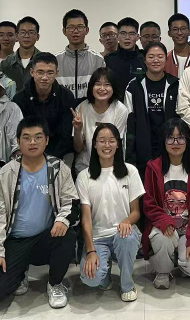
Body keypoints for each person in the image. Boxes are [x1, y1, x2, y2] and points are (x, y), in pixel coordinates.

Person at [0, 117, 79, 309]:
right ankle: (21, 272)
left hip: (46, 237)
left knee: (67, 234)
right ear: (18, 142)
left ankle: (55, 283)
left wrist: (62, 220)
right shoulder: (7, 172)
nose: (32, 142)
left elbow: (72, 201)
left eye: (38, 137)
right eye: (26, 138)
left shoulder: (58, 168)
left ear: (47, 140)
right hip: (16, 241)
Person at [77, 124, 144, 302]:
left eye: (111, 141)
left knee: (126, 237)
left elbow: (136, 212)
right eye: (102, 141)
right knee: (91, 278)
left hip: (123, 233)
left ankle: (127, 284)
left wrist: (126, 222)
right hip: (98, 238)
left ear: (118, 144)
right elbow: (86, 219)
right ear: (94, 144)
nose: (107, 145)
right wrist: (90, 251)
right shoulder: (84, 176)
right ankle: (104, 274)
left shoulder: (130, 171)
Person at [143, 119, 190, 288]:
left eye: (180, 138)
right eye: (170, 138)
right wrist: (164, 220)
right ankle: (163, 270)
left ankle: (178, 259)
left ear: (187, 140)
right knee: (163, 240)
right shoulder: (153, 167)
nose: (175, 143)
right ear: (163, 140)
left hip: (189, 228)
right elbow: (148, 202)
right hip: (165, 226)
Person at [125, 42, 179, 176]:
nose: (156, 60)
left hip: (170, 148)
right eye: (151, 57)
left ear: (166, 59)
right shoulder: (134, 86)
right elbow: (129, 123)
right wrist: (130, 156)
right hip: (142, 150)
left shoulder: (175, 85)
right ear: (144, 60)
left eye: (160, 56)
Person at [12, 52, 76, 160]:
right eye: (40, 72)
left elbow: (65, 135)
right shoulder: (20, 99)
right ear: (32, 72)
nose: (45, 77)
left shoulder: (66, 96)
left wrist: (49, 160)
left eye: (50, 73)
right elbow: (21, 134)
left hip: (60, 154)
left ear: (57, 73)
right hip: (30, 152)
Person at [72, 67, 129, 174]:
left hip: (111, 168)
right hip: (85, 168)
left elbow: (116, 145)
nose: (102, 88)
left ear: (113, 87)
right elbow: (78, 149)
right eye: (98, 84)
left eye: (107, 84)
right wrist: (78, 130)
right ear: (91, 87)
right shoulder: (82, 108)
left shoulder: (120, 110)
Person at [56, 9, 105, 102]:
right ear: (64, 31)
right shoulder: (56, 60)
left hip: (90, 108)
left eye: (80, 27)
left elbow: (102, 89)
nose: (75, 31)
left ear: (87, 30)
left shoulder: (98, 59)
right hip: (63, 109)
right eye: (71, 27)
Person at [0, 16, 41, 89]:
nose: (26, 36)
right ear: (17, 36)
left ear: (37, 36)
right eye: (23, 32)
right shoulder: (6, 63)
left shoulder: (44, 61)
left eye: (31, 32)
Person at [105, 17, 145, 89]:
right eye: (123, 33)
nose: (127, 37)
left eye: (131, 34)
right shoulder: (108, 60)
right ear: (117, 36)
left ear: (137, 37)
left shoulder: (145, 58)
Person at [164, 13, 190, 78]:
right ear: (169, 33)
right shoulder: (165, 60)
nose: (179, 33)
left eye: (183, 29)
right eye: (175, 29)